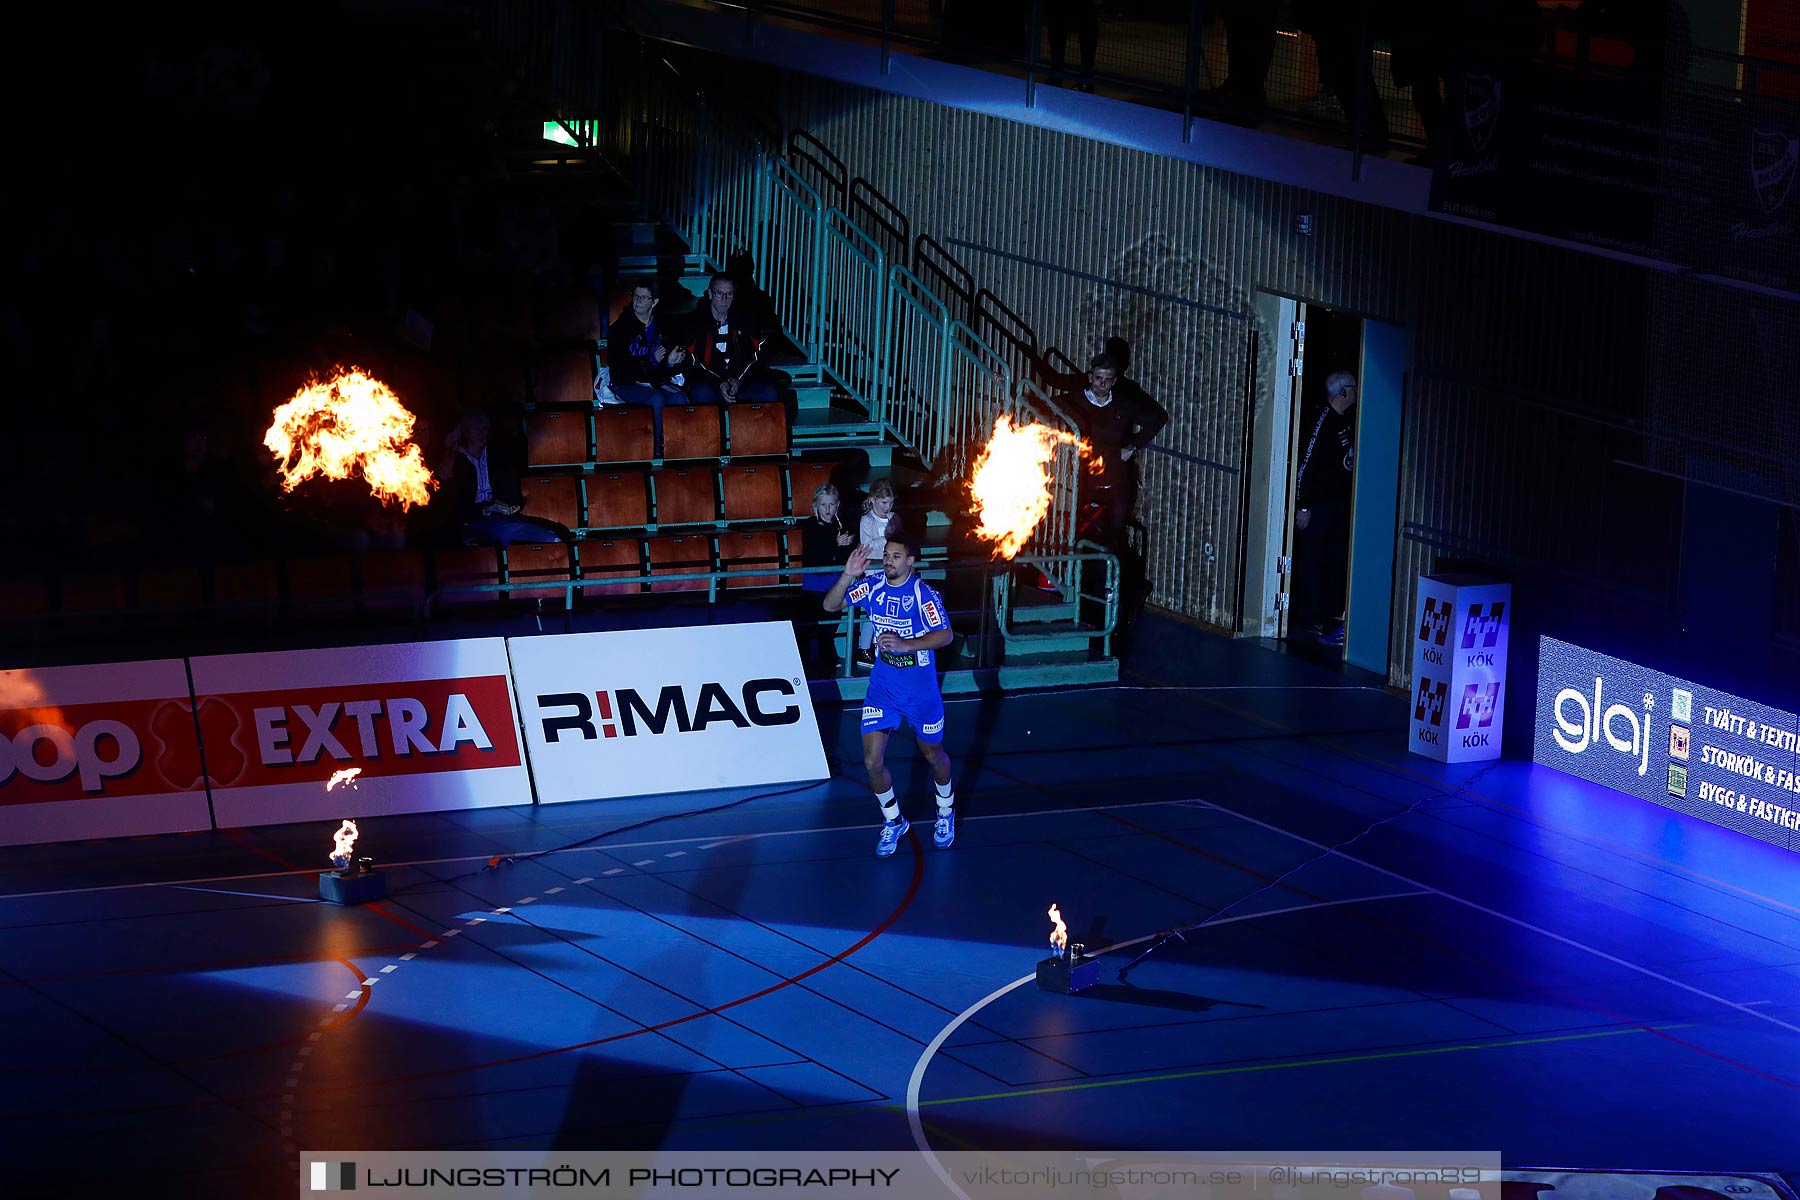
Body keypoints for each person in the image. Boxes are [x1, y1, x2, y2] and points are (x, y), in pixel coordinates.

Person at [823, 535, 958, 857]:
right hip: (883, 689)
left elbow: (946, 634)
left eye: (896, 556)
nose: (888, 561)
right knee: (871, 761)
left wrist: (906, 645)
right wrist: (846, 574)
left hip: (921, 693)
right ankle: (893, 820)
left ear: (910, 562)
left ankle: (945, 810)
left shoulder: (923, 595)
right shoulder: (872, 587)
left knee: (933, 755)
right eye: (886, 555)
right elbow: (830, 605)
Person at [436, 406, 572, 546]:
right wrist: (487, 508)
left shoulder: (496, 456)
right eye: (476, 428)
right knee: (504, 530)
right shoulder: (455, 460)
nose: (482, 432)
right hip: (469, 521)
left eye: (485, 428)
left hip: (500, 518)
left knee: (554, 532)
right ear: (465, 431)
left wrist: (510, 506)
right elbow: (454, 506)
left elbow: (512, 491)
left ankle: (550, 538)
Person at [1292, 369, 1357, 646]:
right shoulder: (1322, 422)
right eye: (1353, 388)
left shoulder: (1345, 423)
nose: (1356, 393)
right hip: (1318, 507)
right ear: (1342, 392)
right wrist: (1303, 505)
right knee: (1314, 561)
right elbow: (1304, 465)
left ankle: (1330, 619)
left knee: (1334, 561)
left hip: (1336, 507)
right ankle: (1313, 620)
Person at [607, 281, 686, 457]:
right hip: (626, 383)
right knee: (656, 399)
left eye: (643, 298)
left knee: (680, 397)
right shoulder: (620, 329)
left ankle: (679, 450)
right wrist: (651, 361)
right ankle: (656, 451)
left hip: (655, 380)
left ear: (654, 302)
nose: (638, 301)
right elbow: (620, 369)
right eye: (636, 296)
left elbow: (665, 368)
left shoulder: (663, 327)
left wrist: (670, 363)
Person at [675, 273, 777, 407]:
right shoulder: (695, 323)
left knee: (769, 394)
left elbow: (758, 355)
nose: (724, 298)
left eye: (729, 294)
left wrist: (738, 380)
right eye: (719, 293)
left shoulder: (744, 321)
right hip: (709, 383)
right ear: (710, 294)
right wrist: (719, 382)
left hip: (739, 381)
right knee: (702, 393)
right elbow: (691, 361)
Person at [799, 482, 856, 669]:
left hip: (835, 582)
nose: (827, 509)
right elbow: (814, 555)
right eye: (823, 505)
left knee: (832, 623)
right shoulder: (810, 525)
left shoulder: (841, 526)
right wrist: (835, 544)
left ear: (837, 505)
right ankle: (820, 659)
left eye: (831, 504)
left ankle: (827, 657)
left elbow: (842, 556)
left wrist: (845, 546)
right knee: (817, 624)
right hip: (815, 583)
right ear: (815, 506)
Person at [855, 479, 901, 665]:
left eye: (890, 503)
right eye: (884, 502)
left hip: (889, 572)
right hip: (873, 572)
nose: (887, 507)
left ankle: (881, 649)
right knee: (872, 613)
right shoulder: (867, 520)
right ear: (873, 500)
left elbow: (900, 541)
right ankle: (863, 649)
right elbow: (867, 545)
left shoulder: (895, 518)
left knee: (887, 614)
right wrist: (886, 539)